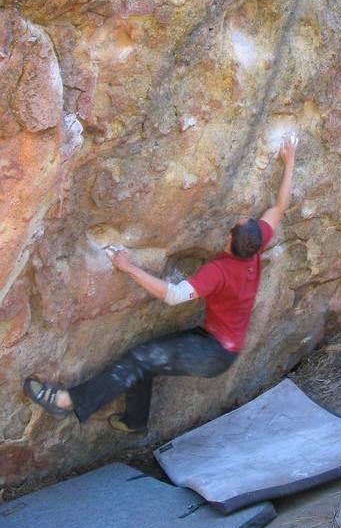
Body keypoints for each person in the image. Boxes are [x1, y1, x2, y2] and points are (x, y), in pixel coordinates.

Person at [24, 135, 298, 435]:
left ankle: (66, 400)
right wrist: (290, 158)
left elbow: (174, 295)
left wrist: (128, 266)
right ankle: (135, 421)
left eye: (233, 228)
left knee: (141, 358)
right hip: (218, 345)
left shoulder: (219, 271)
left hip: (212, 352)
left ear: (230, 240)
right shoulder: (254, 248)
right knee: (146, 357)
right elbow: (280, 205)